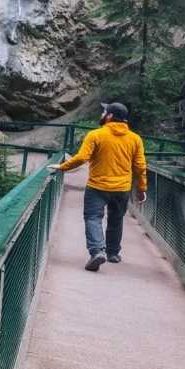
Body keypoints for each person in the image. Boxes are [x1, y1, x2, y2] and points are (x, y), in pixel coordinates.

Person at [48, 102, 147, 272]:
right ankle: (113, 253)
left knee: (93, 218)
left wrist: (62, 167)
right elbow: (140, 166)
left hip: (97, 187)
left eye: (104, 112)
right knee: (116, 220)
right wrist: (141, 188)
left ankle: (96, 251)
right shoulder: (135, 139)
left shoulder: (95, 135)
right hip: (122, 189)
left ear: (109, 116)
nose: (102, 114)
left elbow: (81, 158)